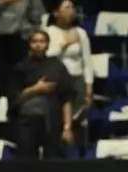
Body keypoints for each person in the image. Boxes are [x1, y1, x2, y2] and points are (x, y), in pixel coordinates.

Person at [8, 30, 74, 159]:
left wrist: (67, 128)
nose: (38, 45)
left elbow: (67, 98)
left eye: (42, 41)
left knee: (53, 163)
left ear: (48, 44)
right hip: (26, 122)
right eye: (34, 41)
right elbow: (14, 98)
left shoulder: (56, 66)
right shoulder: (20, 67)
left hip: (53, 120)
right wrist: (35, 89)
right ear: (29, 44)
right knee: (27, 163)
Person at [45, 0, 93, 144]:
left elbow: (87, 62)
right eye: (67, 7)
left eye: (73, 7)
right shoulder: (49, 31)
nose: (71, 10)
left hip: (77, 82)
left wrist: (89, 86)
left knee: (77, 121)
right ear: (56, 13)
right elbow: (46, 56)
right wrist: (65, 44)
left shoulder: (81, 33)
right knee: (57, 121)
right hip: (57, 82)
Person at [0, 0, 45, 100]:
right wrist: (2, 3)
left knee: (22, 82)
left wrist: (30, 32)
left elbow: (37, 16)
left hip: (22, 39)